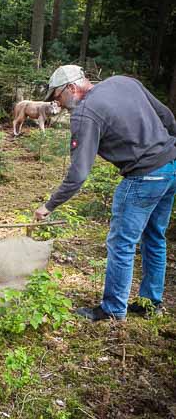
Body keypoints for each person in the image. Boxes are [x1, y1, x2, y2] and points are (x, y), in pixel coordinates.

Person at [34, 64, 176, 321]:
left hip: (143, 176)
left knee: (121, 244)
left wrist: (49, 205)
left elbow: (78, 173)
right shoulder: (124, 81)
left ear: (71, 88)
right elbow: (167, 117)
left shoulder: (85, 112)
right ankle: (150, 303)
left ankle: (112, 309)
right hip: (171, 167)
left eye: (57, 97)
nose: (59, 104)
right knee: (154, 238)